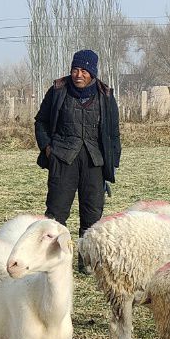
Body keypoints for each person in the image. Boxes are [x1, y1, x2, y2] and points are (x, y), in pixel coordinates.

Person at [34, 49, 122, 235]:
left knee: (93, 220)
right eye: (75, 69)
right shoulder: (58, 91)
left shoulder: (105, 95)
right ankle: (53, 263)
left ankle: (86, 264)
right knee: (55, 217)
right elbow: (41, 121)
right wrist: (48, 148)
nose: (78, 75)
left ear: (93, 73)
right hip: (63, 160)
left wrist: (113, 162)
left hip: (94, 162)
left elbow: (113, 132)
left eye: (84, 70)